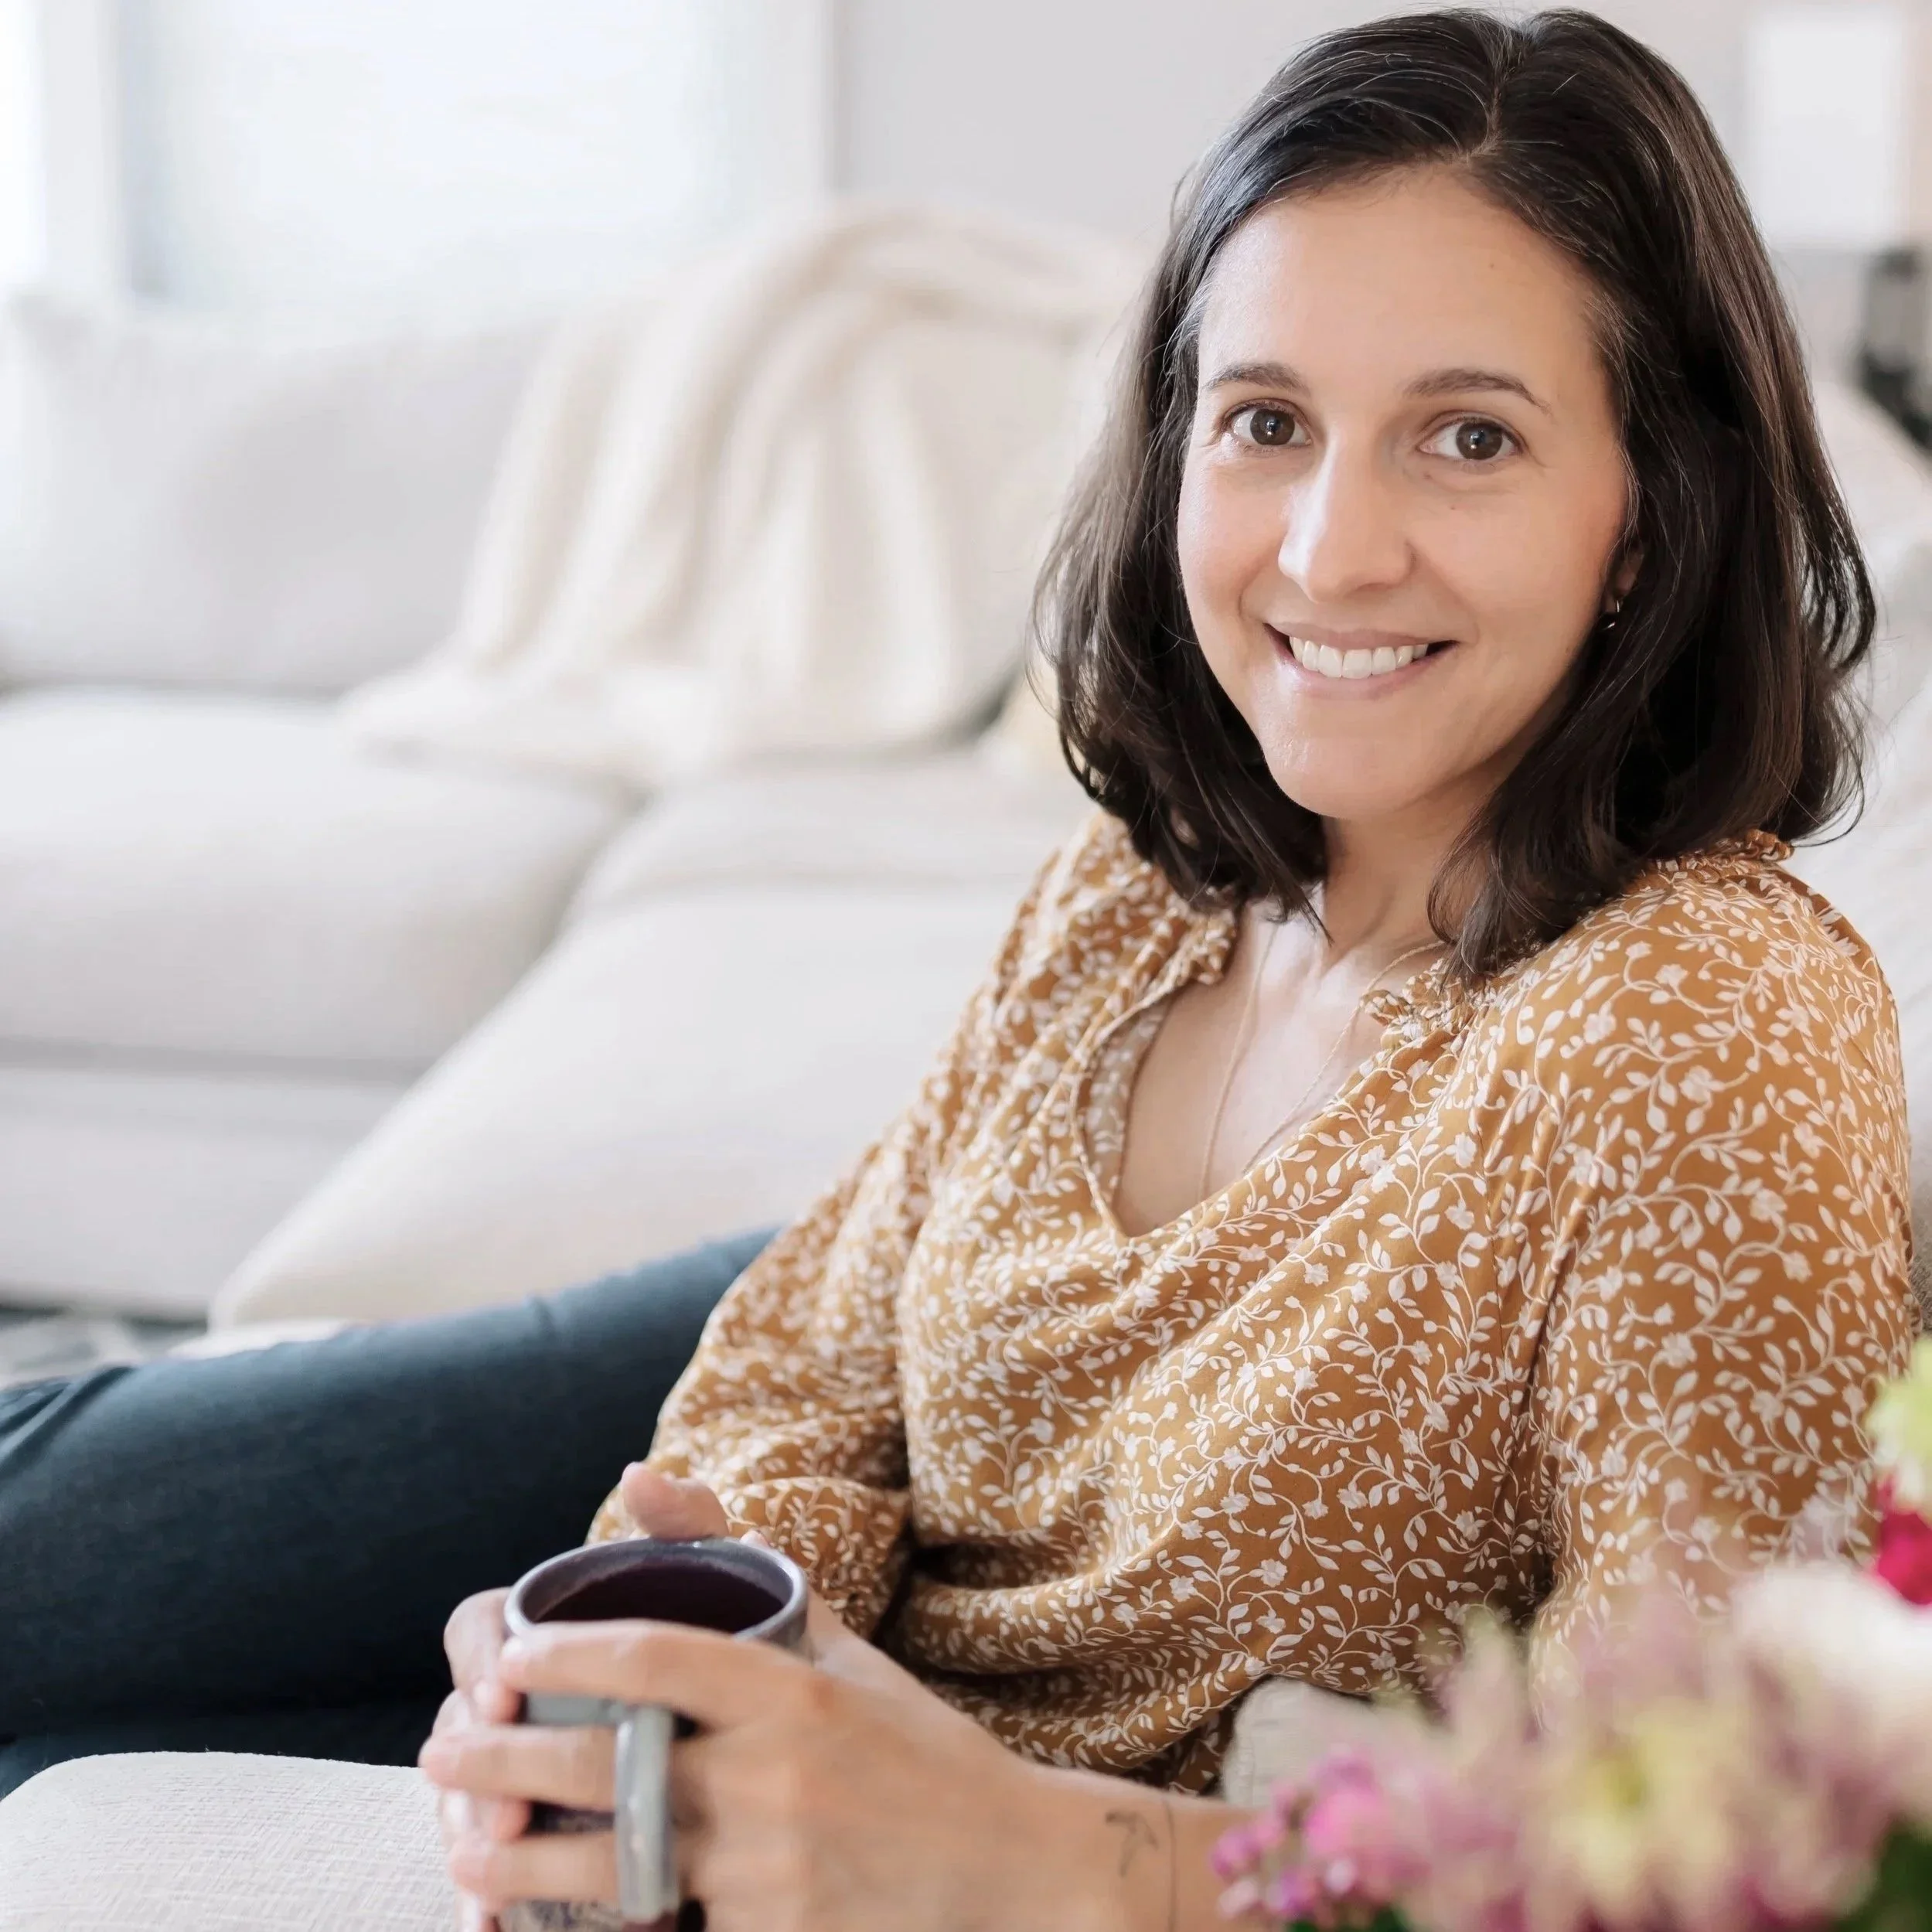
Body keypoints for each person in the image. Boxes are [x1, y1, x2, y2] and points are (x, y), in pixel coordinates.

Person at [0, 9, 1917, 1930]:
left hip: (996, 1794)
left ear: (1651, 508)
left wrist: (1029, 1853)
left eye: (1468, 436)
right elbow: (810, 1355)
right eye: (1264, 422)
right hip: (924, 1402)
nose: (1330, 550)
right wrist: (735, 1616)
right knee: (44, 1534)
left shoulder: (1697, 1037)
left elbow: (1705, 1864)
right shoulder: (1155, 876)